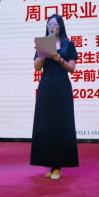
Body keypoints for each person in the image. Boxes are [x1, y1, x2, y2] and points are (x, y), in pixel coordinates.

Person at [31, 14, 78, 180]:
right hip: (46, 85)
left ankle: (58, 166)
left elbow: (72, 68)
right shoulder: (43, 43)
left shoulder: (68, 44)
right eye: (49, 24)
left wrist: (60, 60)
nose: (52, 26)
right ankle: (50, 163)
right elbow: (37, 68)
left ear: (60, 26)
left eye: (55, 24)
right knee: (46, 124)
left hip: (61, 86)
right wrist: (43, 54)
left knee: (60, 124)